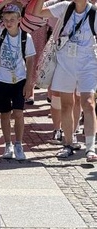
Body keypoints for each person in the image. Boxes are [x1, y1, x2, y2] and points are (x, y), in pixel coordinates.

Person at [33, 0, 97, 161]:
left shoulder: (94, 13)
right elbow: (38, 12)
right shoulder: (65, 7)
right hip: (65, 62)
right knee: (67, 104)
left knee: (88, 103)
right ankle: (68, 143)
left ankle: (90, 147)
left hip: (87, 64)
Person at [0, 1, 36, 160]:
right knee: (4, 113)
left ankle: (19, 143)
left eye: (12, 19)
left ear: (19, 19)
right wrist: (3, 3)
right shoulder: (0, 32)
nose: (8, 23)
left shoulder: (25, 37)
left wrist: (29, 83)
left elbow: (30, 60)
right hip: (2, 79)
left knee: (19, 113)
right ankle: (8, 144)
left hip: (19, 80)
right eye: (6, 20)